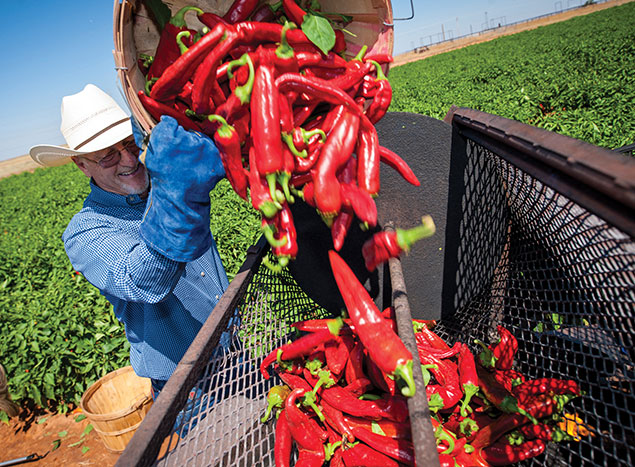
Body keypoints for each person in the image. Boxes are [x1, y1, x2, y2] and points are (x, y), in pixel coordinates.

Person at [29, 84, 232, 401]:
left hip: (234, 345)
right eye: (108, 156)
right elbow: (140, 280)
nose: (128, 160)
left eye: (129, 144)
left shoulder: (161, 182)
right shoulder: (85, 232)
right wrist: (177, 201)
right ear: (82, 166)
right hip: (187, 385)